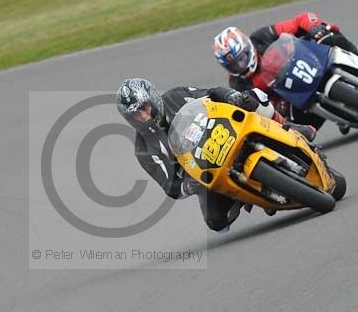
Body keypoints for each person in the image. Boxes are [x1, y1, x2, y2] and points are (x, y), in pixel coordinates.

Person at [115, 77, 315, 232]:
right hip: (206, 173)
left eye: (144, 108)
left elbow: (210, 94)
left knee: (253, 97)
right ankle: (253, 195)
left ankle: (289, 128)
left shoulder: (175, 96)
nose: (143, 116)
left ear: (152, 98)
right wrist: (191, 183)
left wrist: (229, 96)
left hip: (224, 133)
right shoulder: (144, 149)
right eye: (135, 115)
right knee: (217, 222)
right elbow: (171, 187)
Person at [212, 12, 358, 127]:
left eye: (242, 58)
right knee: (295, 127)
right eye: (234, 65)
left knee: (329, 32)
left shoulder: (262, 37)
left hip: (309, 59)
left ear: (247, 45)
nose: (240, 65)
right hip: (293, 98)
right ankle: (339, 115)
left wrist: (314, 28)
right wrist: (277, 107)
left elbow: (300, 20)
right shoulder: (238, 83)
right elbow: (255, 110)